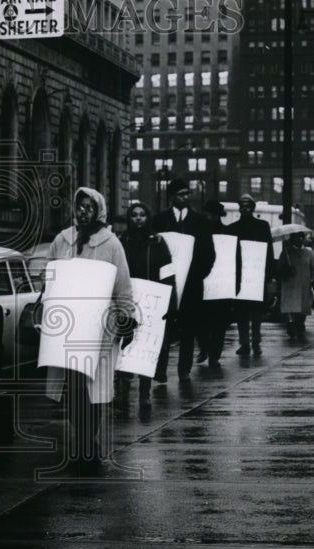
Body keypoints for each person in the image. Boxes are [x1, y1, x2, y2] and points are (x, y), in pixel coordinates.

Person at [44, 187, 134, 471]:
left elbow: (122, 284)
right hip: (69, 329)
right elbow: (50, 274)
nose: (83, 211)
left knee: (94, 390)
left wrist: (126, 315)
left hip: (99, 328)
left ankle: (87, 442)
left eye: (89, 207)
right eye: (80, 206)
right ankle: (83, 443)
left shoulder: (111, 243)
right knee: (73, 389)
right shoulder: (62, 240)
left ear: (99, 211)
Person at [152, 179, 215, 382]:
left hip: (191, 283)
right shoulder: (160, 220)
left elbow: (208, 253)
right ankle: (160, 369)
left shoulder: (200, 221)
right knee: (164, 327)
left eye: (188, 193)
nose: (186, 197)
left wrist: (197, 275)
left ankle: (184, 369)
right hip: (166, 284)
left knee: (189, 328)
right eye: (181, 194)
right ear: (172, 197)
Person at [119, 201, 175, 408]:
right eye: (134, 215)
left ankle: (145, 393)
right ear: (129, 218)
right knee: (125, 346)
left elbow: (168, 273)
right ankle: (122, 391)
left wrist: (170, 302)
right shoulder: (122, 241)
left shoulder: (158, 242)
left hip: (151, 302)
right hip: (128, 300)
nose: (138, 218)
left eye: (142, 214)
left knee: (146, 349)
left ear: (147, 217)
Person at [228, 194, 274, 357]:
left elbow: (269, 250)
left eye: (248, 206)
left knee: (256, 312)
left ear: (253, 208)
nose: (245, 209)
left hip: (256, 272)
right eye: (242, 206)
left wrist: (269, 272)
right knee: (241, 312)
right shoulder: (232, 228)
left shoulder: (262, 226)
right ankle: (244, 343)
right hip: (240, 274)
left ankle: (256, 341)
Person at [199, 199, 235, 368]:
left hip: (212, 281)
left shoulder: (202, 232)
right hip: (219, 282)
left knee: (209, 321)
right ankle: (212, 353)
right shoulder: (227, 232)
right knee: (216, 322)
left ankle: (209, 351)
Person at [277, 230, 314, 342]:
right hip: (290, 284)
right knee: (291, 306)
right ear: (293, 239)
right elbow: (279, 268)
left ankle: (300, 325)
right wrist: (286, 270)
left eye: (302, 237)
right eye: (297, 237)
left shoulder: (309, 252)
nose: (300, 240)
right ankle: (291, 325)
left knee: (303, 307)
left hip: (304, 284)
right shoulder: (286, 252)